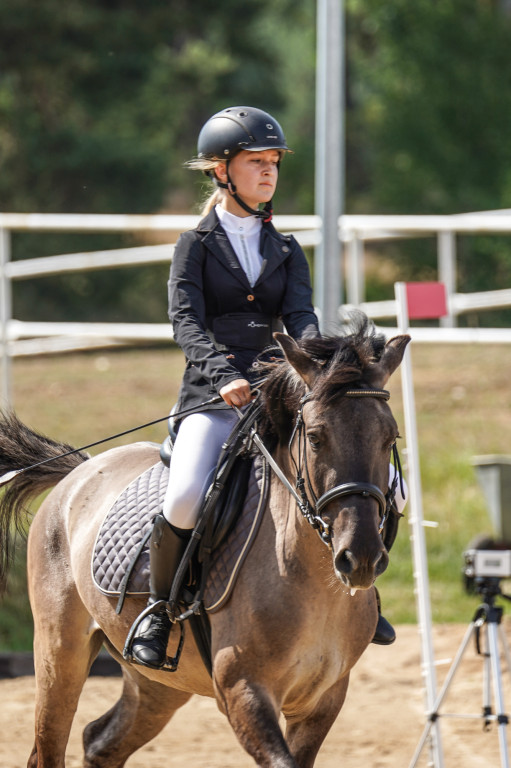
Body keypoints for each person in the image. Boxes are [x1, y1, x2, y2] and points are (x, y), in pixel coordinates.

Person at [131, 106, 399, 669]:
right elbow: (186, 323)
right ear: (221, 171)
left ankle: (366, 591)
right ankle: (160, 609)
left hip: (281, 394)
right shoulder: (195, 246)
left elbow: (300, 317)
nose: (269, 172)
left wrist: (313, 367)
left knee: (382, 480)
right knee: (183, 496)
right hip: (214, 394)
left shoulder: (286, 248)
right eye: (257, 162)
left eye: (273, 163)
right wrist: (223, 374)